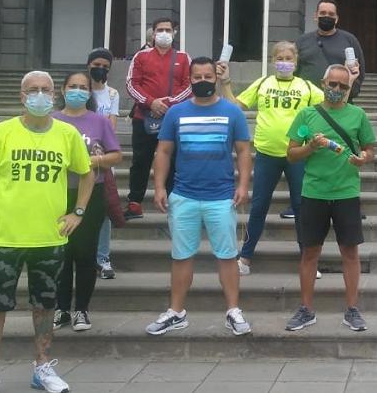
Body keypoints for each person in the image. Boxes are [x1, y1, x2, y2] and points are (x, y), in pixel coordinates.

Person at [0, 71, 94, 393]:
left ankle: (42, 366)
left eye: (46, 90)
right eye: (33, 90)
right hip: (3, 237)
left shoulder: (67, 134)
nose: (40, 95)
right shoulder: (2, 132)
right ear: (22, 96)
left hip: (49, 238)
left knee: (46, 304)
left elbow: (86, 173)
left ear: (55, 95)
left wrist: (78, 212)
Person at [145, 57, 253, 337]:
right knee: (181, 256)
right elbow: (163, 151)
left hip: (221, 197)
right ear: (189, 79)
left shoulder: (232, 112)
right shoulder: (175, 113)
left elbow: (243, 151)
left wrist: (243, 185)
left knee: (227, 256)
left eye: (208, 76)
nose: (202, 81)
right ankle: (176, 312)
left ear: (216, 78)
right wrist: (159, 187)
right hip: (184, 196)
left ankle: (233, 311)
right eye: (197, 77)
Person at [217, 40, 324, 275]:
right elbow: (235, 106)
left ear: (296, 61)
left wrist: (349, 81)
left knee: (302, 207)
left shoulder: (306, 87)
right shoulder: (263, 83)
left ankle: (308, 261)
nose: (284, 63)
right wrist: (225, 82)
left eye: (289, 59)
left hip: (297, 154)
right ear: (273, 61)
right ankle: (245, 258)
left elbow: (331, 105)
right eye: (280, 58)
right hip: (267, 153)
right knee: (259, 206)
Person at [284, 65, 377, 332]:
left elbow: (370, 150)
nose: (336, 89)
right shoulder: (307, 115)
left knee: (350, 252)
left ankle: (352, 309)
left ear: (349, 89)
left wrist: (363, 159)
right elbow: (291, 154)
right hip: (314, 192)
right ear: (323, 83)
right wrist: (311, 146)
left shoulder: (358, 115)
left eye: (342, 86)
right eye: (332, 84)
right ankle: (306, 309)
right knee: (310, 252)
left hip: (346, 192)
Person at [52, 70, 122, 331]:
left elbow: (116, 156)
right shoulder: (52, 120)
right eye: (73, 86)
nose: (78, 91)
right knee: (60, 253)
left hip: (92, 194)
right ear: (63, 90)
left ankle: (81, 309)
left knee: (85, 253)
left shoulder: (99, 121)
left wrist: (91, 160)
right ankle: (61, 309)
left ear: (90, 93)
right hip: (57, 194)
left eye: (83, 87)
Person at [125, 17, 192, 219]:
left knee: (173, 160)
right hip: (143, 117)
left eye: (168, 30)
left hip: (172, 119)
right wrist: (151, 102)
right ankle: (135, 203)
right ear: (153, 34)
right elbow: (131, 84)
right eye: (160, 30)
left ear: (174, 33)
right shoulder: (141, 56)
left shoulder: (183, 57)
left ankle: (173, 201)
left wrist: (167, 105)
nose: (164, 33)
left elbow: (189, 85)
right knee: (140, 161)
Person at [87, 47, 120, 280]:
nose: (100, 69)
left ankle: (102, 257)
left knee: (104, 210)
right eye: (96, 65)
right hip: (79, 155)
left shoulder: (112, 94)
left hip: (103, 157)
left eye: (105, 67)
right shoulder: (79, 90)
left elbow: (111, 126)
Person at [296, 0, 366, 101]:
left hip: (340, 101)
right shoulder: (302, 41)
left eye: (331, 14)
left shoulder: (349, 40)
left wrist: (350, 92)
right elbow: (295, 70)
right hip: (308, 101)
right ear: (315, 16)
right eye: (323, 13)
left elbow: (360, 71)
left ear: (336, 18)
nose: (326, 16)